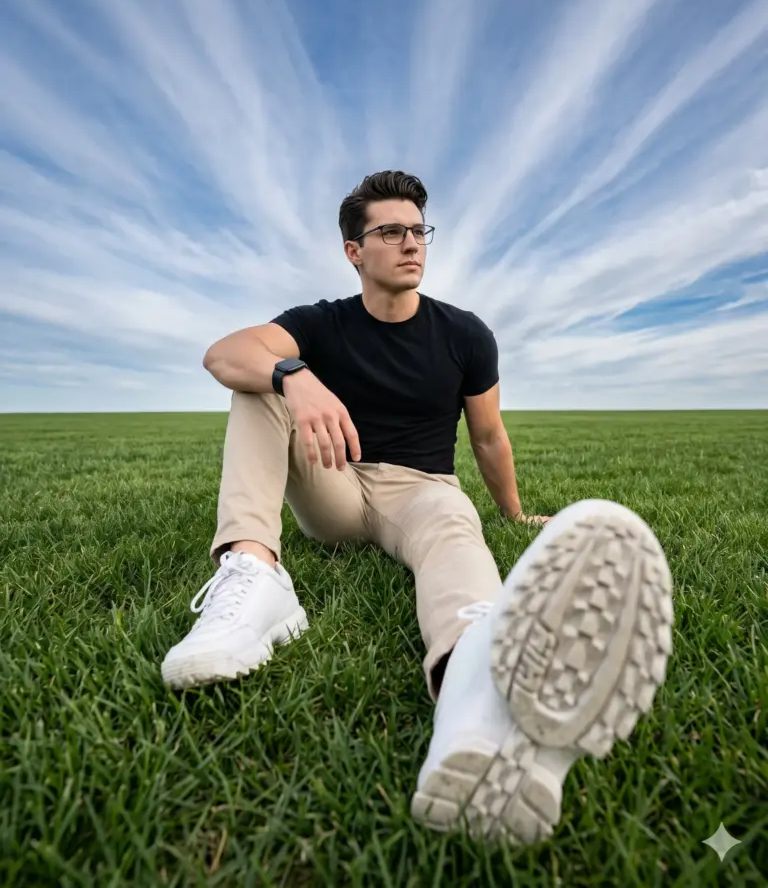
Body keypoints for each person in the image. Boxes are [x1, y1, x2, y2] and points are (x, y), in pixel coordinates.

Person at [161, 171, 674, 845]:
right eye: (391, 232)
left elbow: (488, 436)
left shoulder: (465, 334)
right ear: (354, 251)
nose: (411, 243)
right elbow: (223, 354)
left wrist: (514, 513)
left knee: (453, 533)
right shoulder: (320, 321)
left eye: (418, 230)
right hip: (334, 480)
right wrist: (294, 374)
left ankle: (477, 687)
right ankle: (254, 577)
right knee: (258, 384)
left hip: (423, 487)